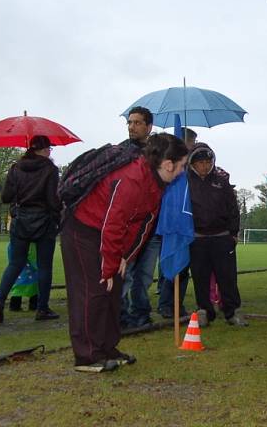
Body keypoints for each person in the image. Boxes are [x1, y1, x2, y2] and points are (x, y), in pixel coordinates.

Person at [61, 133, 188, 372]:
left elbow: (143, 222)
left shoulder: (156, 182)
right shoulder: (132, 178)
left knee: (114, 290)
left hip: (107, 234)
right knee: (94, 290)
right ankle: (87, 355)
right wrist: (109, 265)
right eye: (181, 166)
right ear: (169, 164)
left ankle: (108, 348)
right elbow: (113, 223)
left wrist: (124, 256)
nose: (182, 172)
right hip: (83, 230)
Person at [0, 135, 61, 323]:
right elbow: (53, 200)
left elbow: (6, 196)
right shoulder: (50, 169)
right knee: (45, 265)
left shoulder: (15, 168)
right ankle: (42, 308)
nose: (50, 151)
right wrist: (58, 217)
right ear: (43, 149)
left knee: (16, 263)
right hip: (44, 221)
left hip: (20, 220)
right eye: (49, 148)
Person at [186, 143, 246, 327]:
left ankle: (232, 311)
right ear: (192, 164)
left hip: (222, 237)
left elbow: (233, 209)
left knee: (227, 277)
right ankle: (204, 310)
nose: (204, 166)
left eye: (207, 161)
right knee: (200, 277)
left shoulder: (222, 181)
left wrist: (233, 233)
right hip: (197, 238)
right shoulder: (184, 183)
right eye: (200, 162)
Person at [119, 106, 161, 329]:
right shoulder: (122, 152)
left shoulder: (158, 153)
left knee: (144, 276)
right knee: (125, 273)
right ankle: (121, 315)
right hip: (129, 225)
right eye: (130, 122)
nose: (132, 127)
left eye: (136, 122)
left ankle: (141, 312)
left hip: (152, 226)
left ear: (148, 126)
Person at [156, 126, 197, 319]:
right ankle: (165, 305)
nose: (193, 146)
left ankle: (176, 305)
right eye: (191, 142)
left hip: (185, 225)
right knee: (170, 266)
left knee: (183, 268)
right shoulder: (172, 170)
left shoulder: (189, 169)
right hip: (172, 225)